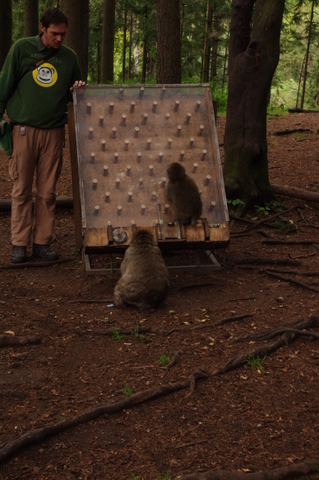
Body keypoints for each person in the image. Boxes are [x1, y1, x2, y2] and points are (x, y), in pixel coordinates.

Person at [0, 7, 86, 263]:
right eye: (55, 34)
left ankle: (41, 243)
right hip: (23, 130)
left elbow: (76, 93)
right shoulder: (22, 49)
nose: (59, 39)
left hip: (54, 131)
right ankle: (19, 244)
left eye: (63, 34)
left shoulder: (69, 58)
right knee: (22, 188)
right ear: (42, 28)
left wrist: (79, 88)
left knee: (47, 192)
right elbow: (4, 85)